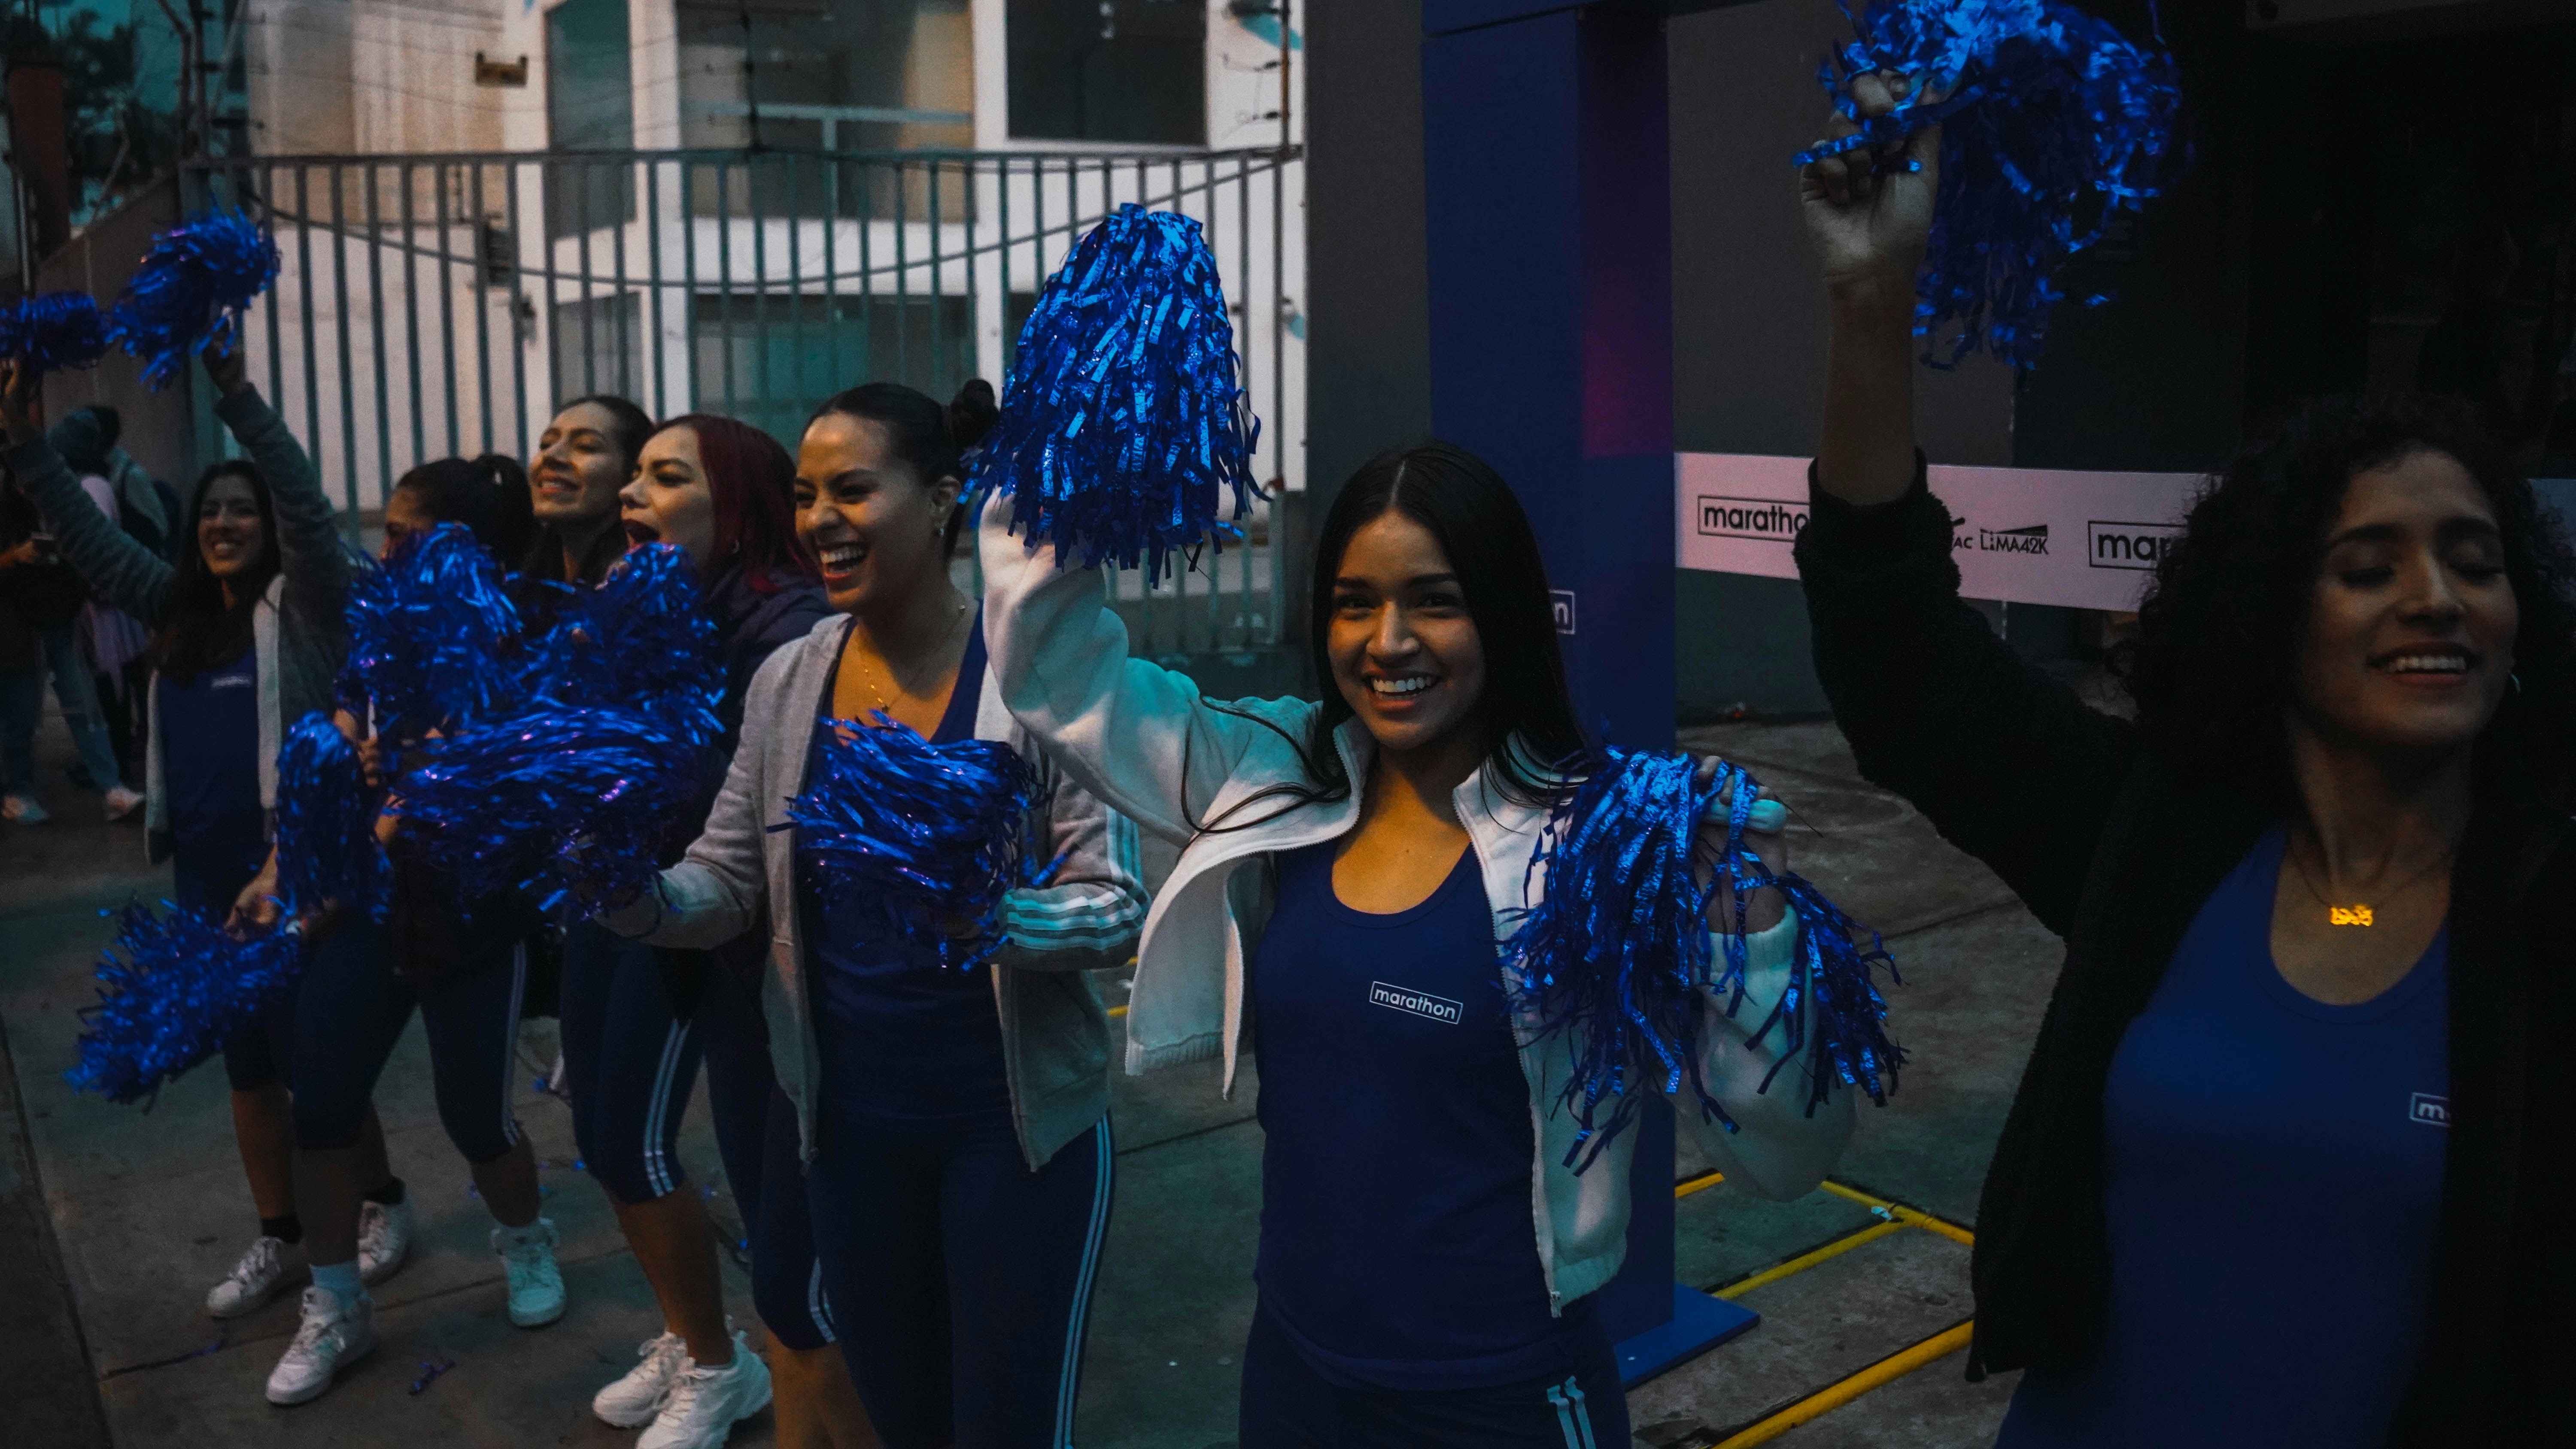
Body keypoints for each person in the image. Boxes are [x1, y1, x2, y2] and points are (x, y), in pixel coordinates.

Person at [1794, 73, 2571, 1446]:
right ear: (2270, 616)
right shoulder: (2156, 843)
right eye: (2365, 566)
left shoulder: (2537, 908)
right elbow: (1899, 663)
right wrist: (1869, 304)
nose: (2435, 599)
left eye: (2472, 562)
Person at [977, 438, 1858, 1446]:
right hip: (1297, 1369)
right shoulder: (1275, 772)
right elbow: (1060, 674)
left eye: (1433, 600)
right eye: (1355, 601)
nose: (1387, 640)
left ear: (1503, 612)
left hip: (1503, 1397)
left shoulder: (1597, 846)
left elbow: (1783, 1155)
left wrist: (1748, 933)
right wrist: (1057, 441)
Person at [597, 380, 1147, 1449]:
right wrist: (625, 892)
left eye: (852, 489)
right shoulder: (789, 679)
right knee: (902, 1419)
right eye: (805, 496)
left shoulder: (1040, 676)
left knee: (1004, 1430)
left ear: (942, 498)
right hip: (847, 1132)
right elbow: (723, 883)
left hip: (1012, 1136)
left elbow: (1115, 903)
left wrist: (995, 922)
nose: (818, 521)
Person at [0, 346, 402, 1332]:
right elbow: (89, 540)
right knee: (248, 1065)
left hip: (297, 869)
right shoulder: (174, 609)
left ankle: (379, 1201)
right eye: (212, 510)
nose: (226, 522)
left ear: (267, 531)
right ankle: (281, 1230)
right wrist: (19, 440)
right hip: (208, 870)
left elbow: (308, 509)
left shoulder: (303, 608)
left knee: (322, 1065)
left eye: (243, 510)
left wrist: (237, 395)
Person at [228, 453, 564, 1406]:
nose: (385, 550)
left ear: (458, 547)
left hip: (465, 914)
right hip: (366, 913)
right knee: (322, 1102)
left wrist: (398, 802)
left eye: (405, 533)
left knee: (478, 1118)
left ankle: (526, 1241)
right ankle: (336, 1304)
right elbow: (336, 747)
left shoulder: (517, 639)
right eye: (387, 529)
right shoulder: (376, 636)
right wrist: (278, 868)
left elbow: (472, 788)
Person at [563, 413, 861, 1449]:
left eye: (665, 475)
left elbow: (756, 840)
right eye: (633, 476)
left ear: (735, 503)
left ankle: (719, 1363)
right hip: (716, 955)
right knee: (785, 1271)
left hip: (779, 980)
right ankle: (719, 1359)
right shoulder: (670, 612)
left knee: (805, 1282)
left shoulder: (784, 637)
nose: (632, 495)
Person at [0, 461, 142, 824]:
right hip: (20, 625)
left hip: (54, 615)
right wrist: (13, 558)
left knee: (82, 706)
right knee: (23, 714)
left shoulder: (46, 501)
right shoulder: (19, 505)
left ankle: (111, 788)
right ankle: (18, 791)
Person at [525, 394, 655, 605]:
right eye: (546, 444)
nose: (551, 455)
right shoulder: (526, 582)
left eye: (586, 446)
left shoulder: (641, 591)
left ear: (633, 474)